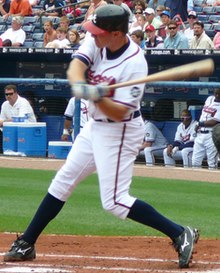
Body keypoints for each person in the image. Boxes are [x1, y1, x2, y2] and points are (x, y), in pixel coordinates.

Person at [3, 5, 199, 269]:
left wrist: (98, 95)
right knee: (63, 180)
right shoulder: (98, 40)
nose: (93, 36)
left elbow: (119, 111)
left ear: (116, 33)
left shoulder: (135, 64)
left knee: (115, 202)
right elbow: (76, 66)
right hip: (95, 126)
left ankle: (179, 233)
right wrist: (81, 83)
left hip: (120, 131)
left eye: (99, 32)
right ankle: (27, 242)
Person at [0, 85, 37, 153]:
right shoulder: (4, 104)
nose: (8, 96)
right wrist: (8, 121)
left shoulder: (23, 102)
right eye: (6, 94)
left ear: (16, 93)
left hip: (29, 132)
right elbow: (0, 122)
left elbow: (20, 121)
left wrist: (5, 122)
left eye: (11, 94)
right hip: (12, 132)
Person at [192, 89, 220, 169]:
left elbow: (214, 121)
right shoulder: (209, 99)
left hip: (212, 135)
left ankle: (213, 180)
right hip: (200, 134)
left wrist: (199, 123)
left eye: (219, 93)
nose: (217, 95)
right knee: (195, 162)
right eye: (216, 93)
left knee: (212, 163)